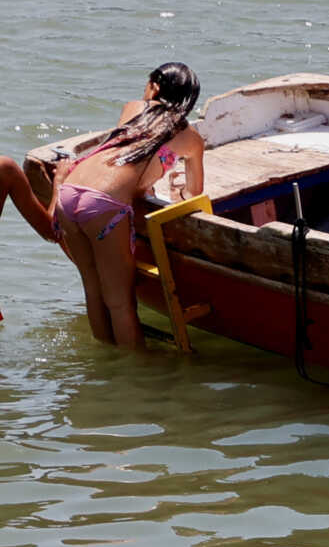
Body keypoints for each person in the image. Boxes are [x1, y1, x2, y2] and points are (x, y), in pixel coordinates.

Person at [39, 64, 205, 348]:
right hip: (102, 205)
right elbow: (194, 191)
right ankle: (134, 374)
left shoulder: (133, 108)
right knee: (121, 304)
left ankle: (106, 360)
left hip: (70, 190)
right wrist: (178, 190)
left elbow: (123, 157)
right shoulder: (190, 138)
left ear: (154, 87)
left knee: (93, 289)